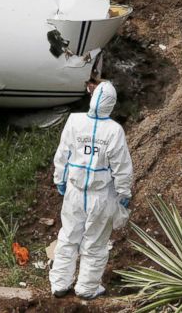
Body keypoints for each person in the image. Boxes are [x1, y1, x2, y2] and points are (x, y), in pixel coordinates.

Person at [50, 80, 133, 301]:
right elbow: (122, 167)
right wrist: (124, 194)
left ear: (92, 98)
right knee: (95, 242)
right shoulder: (114, 131)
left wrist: (60, 179)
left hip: (75, 192)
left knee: (68, 237)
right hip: (101, 196)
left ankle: (60, 283)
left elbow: (63, 154)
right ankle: (86, 288)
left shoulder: (74, 122)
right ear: (111, 104)